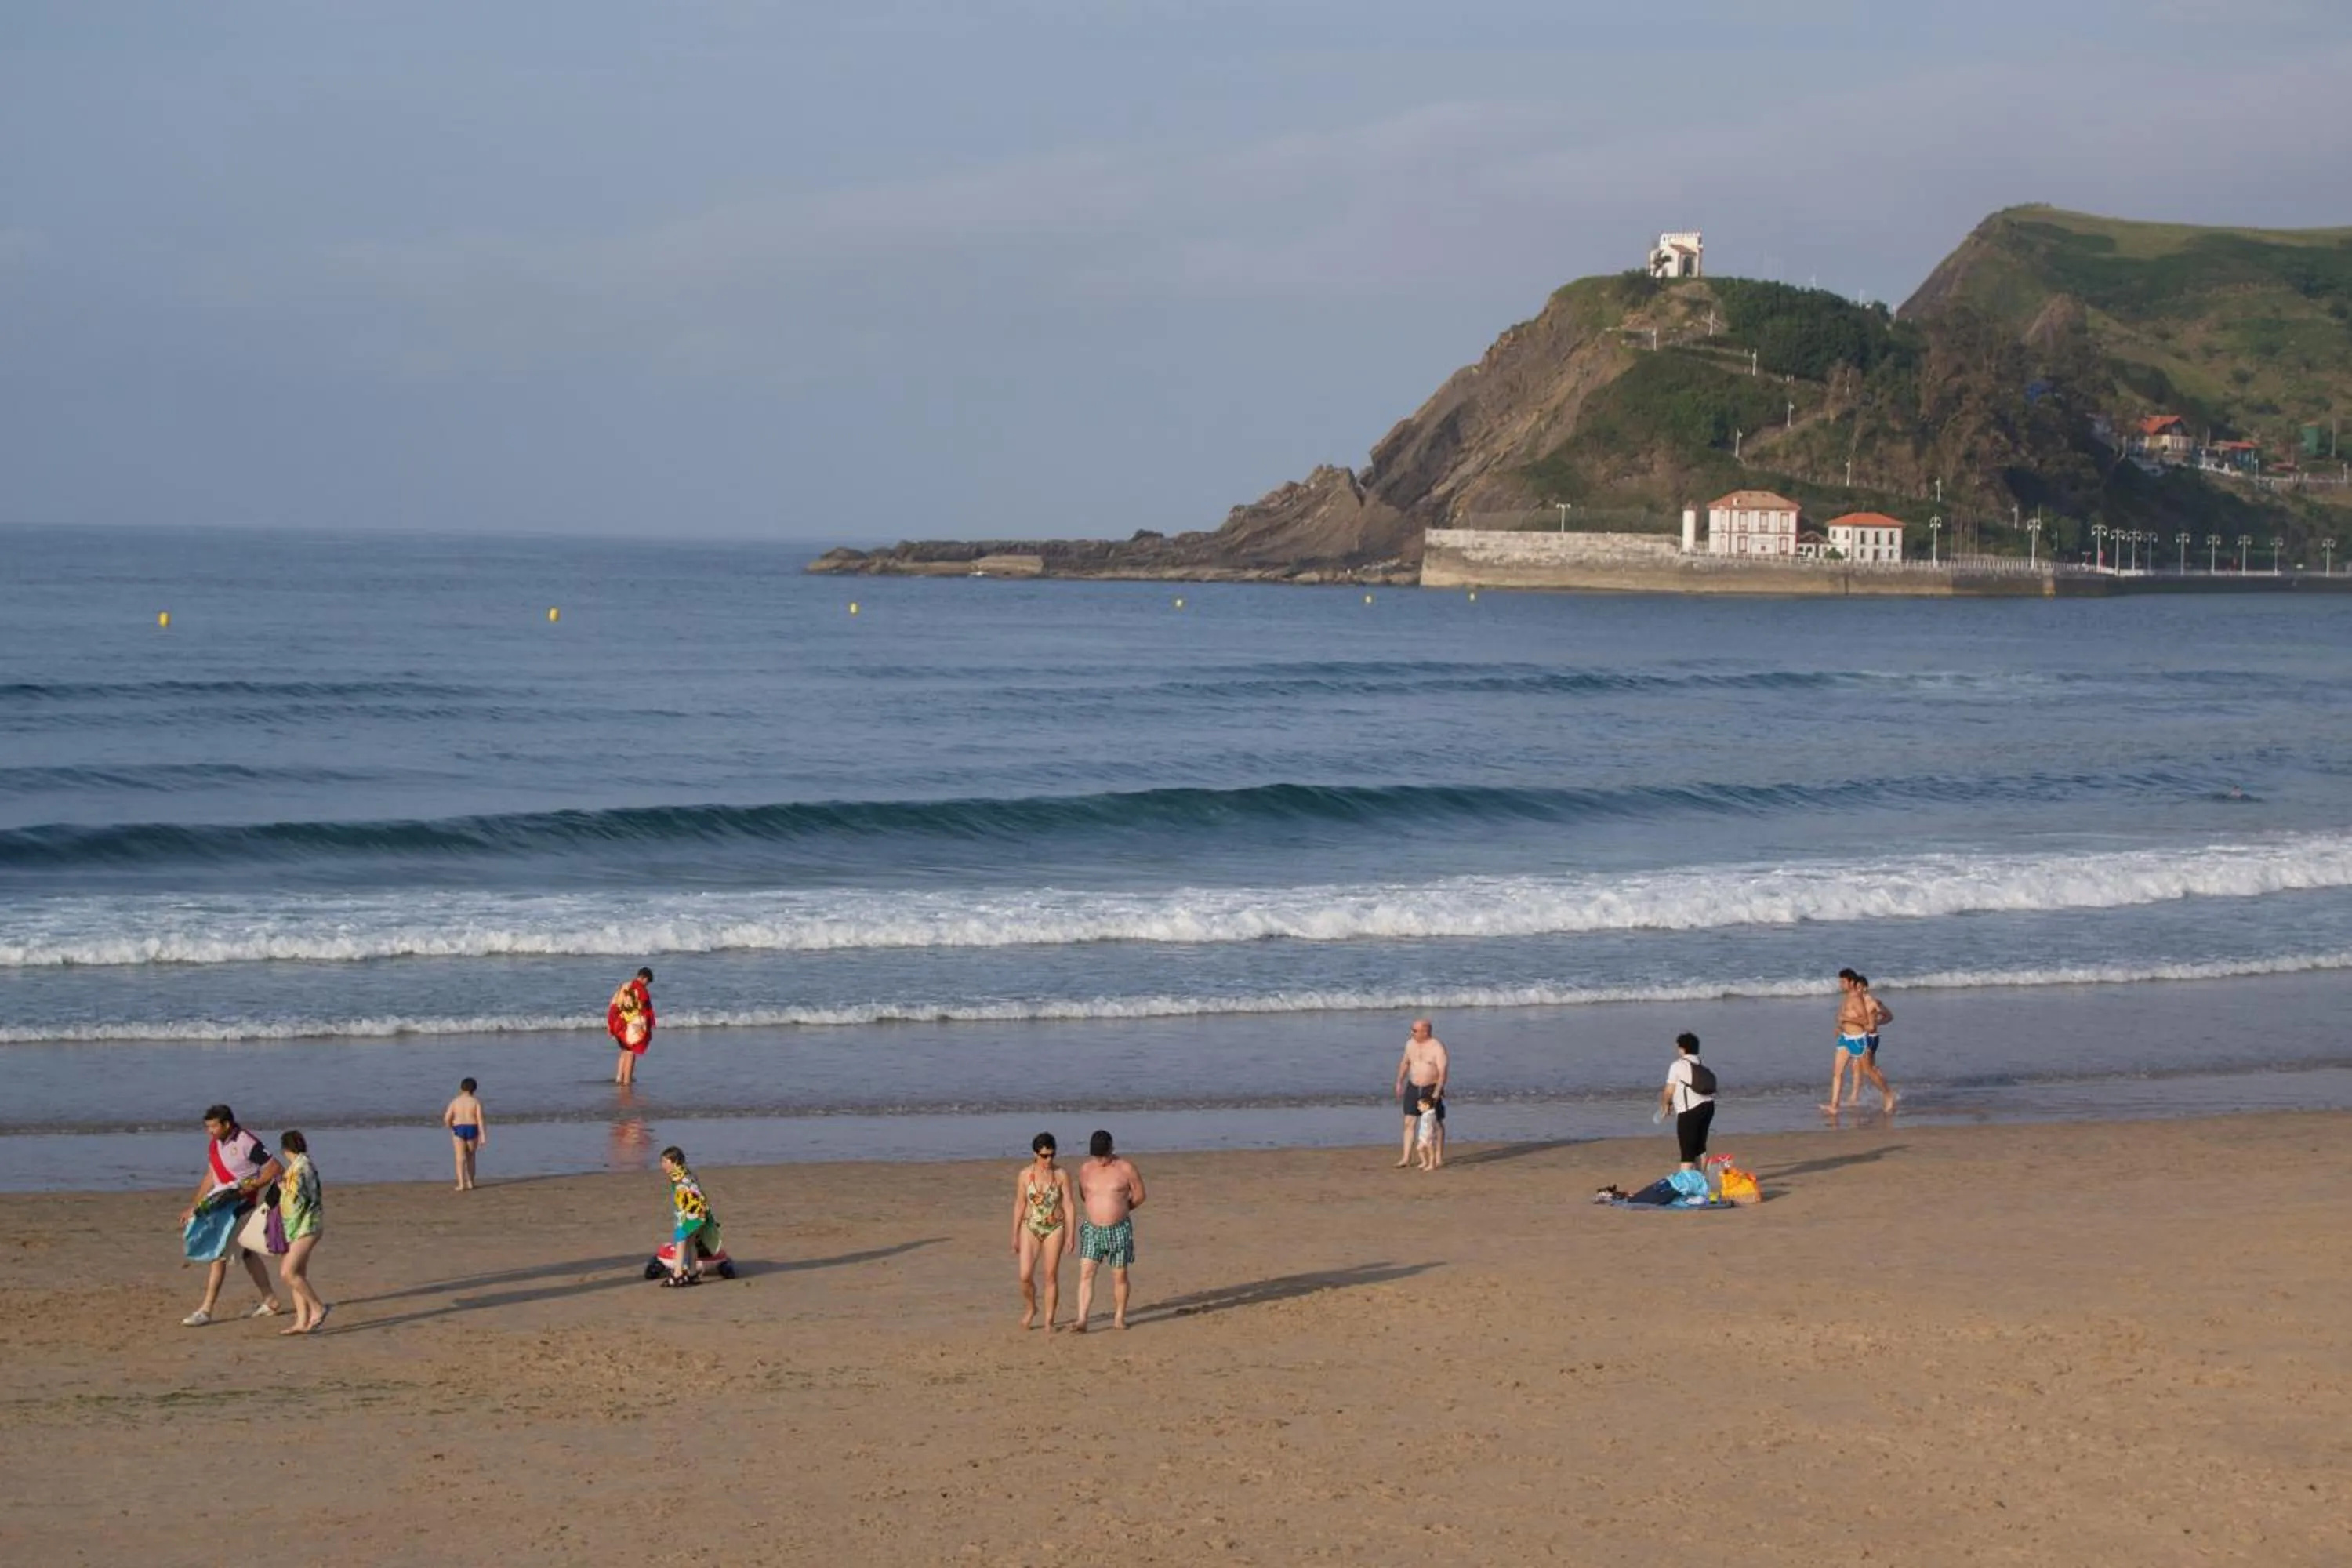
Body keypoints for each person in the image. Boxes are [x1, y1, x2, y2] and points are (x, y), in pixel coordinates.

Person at [179, 1104, 284, 1327]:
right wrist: (194, 1205)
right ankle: (271, 1300)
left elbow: (274, 1168)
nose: (210, 1131)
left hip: (241, 1205)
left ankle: (206, 1310)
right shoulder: (215, 1144)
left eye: (214, 1126)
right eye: (207, 1127)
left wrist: (249, 1187)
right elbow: (211, 1175)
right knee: (246, 1254)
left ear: (227, 1124)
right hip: (220, 1203)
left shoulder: (247, 1141)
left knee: (218, 1255)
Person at [1069, 1130, 1145, 1333]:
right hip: (1093, 1230)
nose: (1101, 1160)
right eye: (1097, 1156)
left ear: (1112, 1148)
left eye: (1104, 1155)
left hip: (1119, 1229)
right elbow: (1084, 1194)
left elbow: (1139, 1195)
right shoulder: (1086, 1169)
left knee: (1119, 1275)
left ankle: (1119, 1317)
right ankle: (1082, 1319)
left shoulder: (1125, 1168)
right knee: (1086, 1273)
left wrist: (1120, 1209)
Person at [1009, 1132, 1076, 1330]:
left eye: (1052, 1155)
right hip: (1030, 1227)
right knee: (1025, 1275)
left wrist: (1071, 1235)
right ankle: (1031, 1308)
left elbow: (1069, 1205)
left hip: (1054, 1227)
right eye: (1044, 1156)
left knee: (1050, 1275)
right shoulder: (1024, 1175)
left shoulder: (1061, 1175)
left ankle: (1049, 1321)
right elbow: (1020, 1204)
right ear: (1035, 1154)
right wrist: (1014, 1234)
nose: (1049, 1160)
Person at [274, 1130, 328, 1334]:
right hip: (305, 1225)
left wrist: (281, 1187)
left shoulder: (299, 1168)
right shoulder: (304, 1165)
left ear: (286, 1150)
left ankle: (317, 1307)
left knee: (287, 1272)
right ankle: (302, 1321)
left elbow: (294, 1201)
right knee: (298, 1274)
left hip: (307, 1225)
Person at [1827, 967, 1896, 1113]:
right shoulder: (1846, 997)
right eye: (1840, 981)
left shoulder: (1858, 998)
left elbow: (1864, 1019)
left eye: (1843, 981)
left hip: (1858, 1039)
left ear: (1851, 982)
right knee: (1837, 1072)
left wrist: (1846, 1019)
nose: (1840, 984)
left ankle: (1888, 1094)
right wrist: (1840, 1027)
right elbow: (1843, 1015)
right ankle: (1834, 1106)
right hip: (1845, 1038)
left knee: (1869, 1071)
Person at [659, 1145, 720, 1287]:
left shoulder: (678, 1176)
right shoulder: (689, 1173)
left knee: (680, 1241)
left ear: (675, 1163)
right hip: (699, 1213)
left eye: (665, 1162)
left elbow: (685, 1198)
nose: (663, 1166)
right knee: (691, 1243)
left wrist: (682, 1218)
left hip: (690, 1214)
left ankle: (678, 1275)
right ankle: (692, 1274)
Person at [1392, 1018, 1450, 1169]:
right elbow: (1405, 1063)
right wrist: (1399, 1081)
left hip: (1430, 1088)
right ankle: (1405, 1157)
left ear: (1425, 1032)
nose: (1412, 1033)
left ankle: (1438, 1158)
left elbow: (1443, 1072)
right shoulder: (1410, 1043)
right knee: (1409, 1122)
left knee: (1435, 1123)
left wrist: (1437, 1091)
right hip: (1413, 1086)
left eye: (1415, 1030)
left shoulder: (1437, 1047)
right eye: (1412, 1030)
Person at [1657, 1033, 1715, 1173]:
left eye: (1678, 1047)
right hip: (1708, 1107)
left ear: (1682, 1049)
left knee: (1687, 1150)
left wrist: (1665, 1106)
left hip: (1690, 1111)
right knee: (1700, 1147)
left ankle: (1686, 1183)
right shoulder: (1700, 1063)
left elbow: (1669, 1091)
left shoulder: (1678, 1065)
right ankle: (1701, 1179)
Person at [1850, 972, 1897, 1112]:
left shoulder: (1873, 1002)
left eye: (1859, 988)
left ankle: (1888, 1095)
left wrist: (1877, 1022)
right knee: (1857, 1066)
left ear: (1865, 988)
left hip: (1870, 1038)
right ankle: (1854, 1097)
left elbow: (1889, 1016)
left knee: (1868, 1070)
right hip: (1859, 1038)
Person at [608, 967, 655, 1087]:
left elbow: (614, 1003)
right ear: (644, 978)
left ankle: (619, 1077)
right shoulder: (640, 989)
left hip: (617, 1022)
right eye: (647, 982)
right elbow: (641, 1010)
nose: (647, 985)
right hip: (629, 1025)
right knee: (631, 1052)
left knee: (624, 1050)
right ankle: (627, 1081)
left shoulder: (625, 985)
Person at [441, 1077, 488, 1192]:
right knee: (471, 1157)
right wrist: (483, 1136)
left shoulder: (455, 1101)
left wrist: (450, 1127)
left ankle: (461, 1184)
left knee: (459, 1158)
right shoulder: (476, 1102)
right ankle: (471, 1182)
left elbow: (447, 1118)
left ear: (461, 1088)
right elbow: (480, 1120)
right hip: (472, 1128)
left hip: (459, 1128)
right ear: (474, 1089)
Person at [1413, 1093, 1442, 1171]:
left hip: (1429, 1136)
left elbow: (1431, 1126)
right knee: (1419, 1148)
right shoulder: (1425, 1114)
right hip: (1423, 1135)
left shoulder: (1430, 1115)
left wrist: (1430, 1135)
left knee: (1430, 1151)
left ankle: (1431, 1165)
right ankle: (1424, 1162)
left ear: (1427, 1106)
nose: (1418, 1107)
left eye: (1420, 1105)